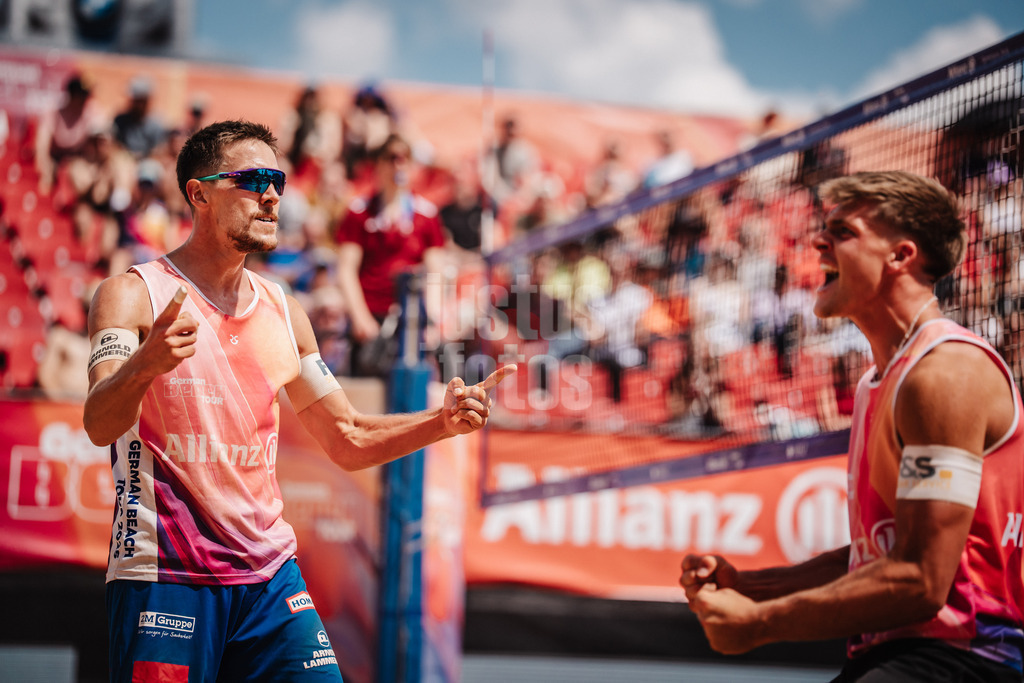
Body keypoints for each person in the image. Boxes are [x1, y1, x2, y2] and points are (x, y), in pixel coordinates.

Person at [82, 119, 515, 682]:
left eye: (279, 181)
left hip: (270, 578)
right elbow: (98, 422)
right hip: (168, 575)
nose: (272, 195)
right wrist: (146, 364)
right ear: (200, 194)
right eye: (253, 178)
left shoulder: (284, 312)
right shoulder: (132, 295)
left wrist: (442, 422)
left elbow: (348, 438)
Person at [680, 170, 1024, 682]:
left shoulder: (946, 374)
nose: (818, 240)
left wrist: (759, 624)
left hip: (969, 657)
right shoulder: (877, 382)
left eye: (843, 232)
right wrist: (752, 586)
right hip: (911, 655)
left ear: (900, 256)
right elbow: (877, 559)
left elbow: (920, 580)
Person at [333, 133, 446, 377]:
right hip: (371, 314)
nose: (399, 164)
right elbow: (346, 269)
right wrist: (360, 317)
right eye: (392, 158)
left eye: (405, 158)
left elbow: (436, 271)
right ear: (379, 164)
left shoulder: (426, 214)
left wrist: (433, 319)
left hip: (411, 316)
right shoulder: (359, 212)